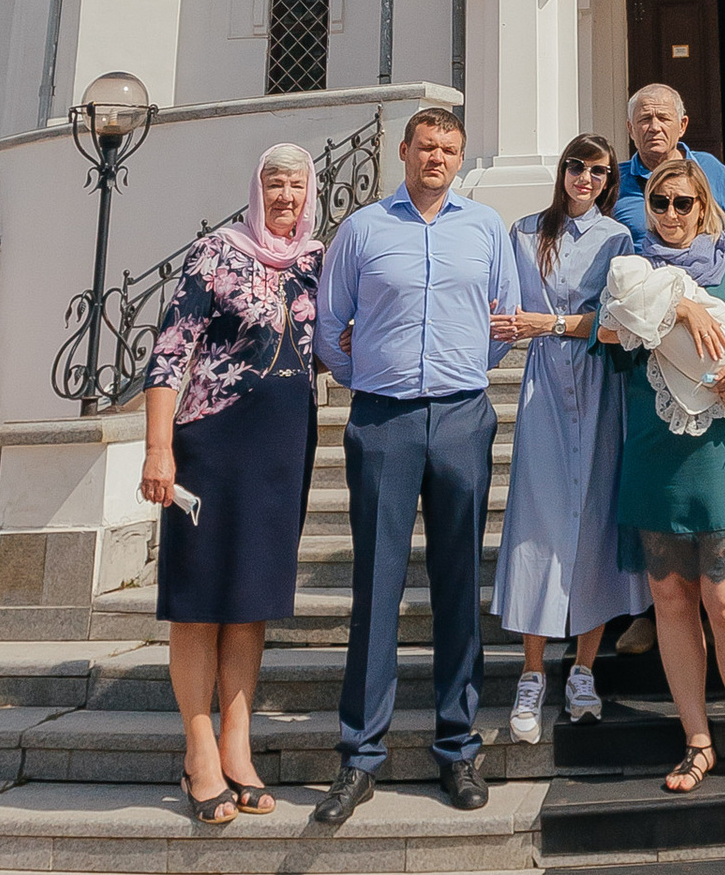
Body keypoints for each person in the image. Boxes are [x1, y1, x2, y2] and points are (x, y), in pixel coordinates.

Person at [310, 101, 523, 822]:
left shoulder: (485, 228)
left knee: (459, 582)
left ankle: (458, 748)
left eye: (448, 149)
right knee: (376, 585)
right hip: (383, 419)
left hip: (461, 416)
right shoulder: (363, 229)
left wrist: (462, 368)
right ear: (404, 151)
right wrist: (368, 375)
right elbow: (329, 324)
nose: (437, 158)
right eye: (426, 146)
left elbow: (504, 321)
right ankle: (360, 757)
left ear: (460, 159)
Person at [595, 156, 725, 794]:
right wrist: (678, 306)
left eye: (684, 203)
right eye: (660, 203)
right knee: (674, 601)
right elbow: (608, 333)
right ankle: (696, 740)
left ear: (703, 206)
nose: (672, 214)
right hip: (657, 456)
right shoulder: (631, 272)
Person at [140, 142, 323, 829]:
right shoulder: (216, 253)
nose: (284, 197)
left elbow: (334, 345)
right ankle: (198, 752)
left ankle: (237, 747)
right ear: (256, 188)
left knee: (251, 602)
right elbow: (170, 350)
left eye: (296, 185)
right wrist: (159, 450)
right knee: (198, 603)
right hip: (211, 444)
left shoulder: (316, 262)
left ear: (310, 193)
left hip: (283, 449)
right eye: (274, 184)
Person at [489, 134, 646, 743]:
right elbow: (504, 313)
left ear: (609, 180)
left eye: (598, 171)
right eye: (576, 166)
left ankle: (583, 669)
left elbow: (616, 322)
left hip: (601, 385)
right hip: (546, 388)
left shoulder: (618, 239)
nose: (585, 177)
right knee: (539, 521)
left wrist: (549, 322)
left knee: (595, 521)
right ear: (562, 170)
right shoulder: (527, 232)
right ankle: (532, 673)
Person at [617, 79, 725, 243]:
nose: (655, 127)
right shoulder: (615, 180)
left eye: (663, 118)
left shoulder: (708, 168)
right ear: (630, 129)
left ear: (682, 125)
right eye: (645, 119)